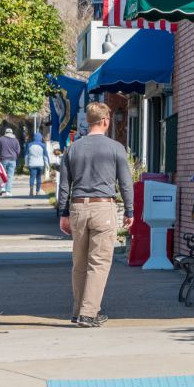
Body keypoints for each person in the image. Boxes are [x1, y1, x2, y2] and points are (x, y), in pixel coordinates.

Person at [57, 102, 134, 327]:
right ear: (105, 121)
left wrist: (63, 213)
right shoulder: (115, 147)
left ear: (89, 121)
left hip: (78, 207)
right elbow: (126, 183)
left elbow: (64, 185)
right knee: (98, 262)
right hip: (103, 207)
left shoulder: (73, 148)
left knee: (79, 263)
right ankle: (88, 313)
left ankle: (78, 310)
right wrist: (130, 210)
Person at [0, 128, 22, 197]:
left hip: (3, 159)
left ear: (5, 132)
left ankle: (2, 189)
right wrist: (14, 155)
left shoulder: (1, 139)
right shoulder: (15, 140)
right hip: (12, 160)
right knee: (10, 176)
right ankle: (8, 191)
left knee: (2, 175)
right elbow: (18, 151)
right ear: (12, 133)